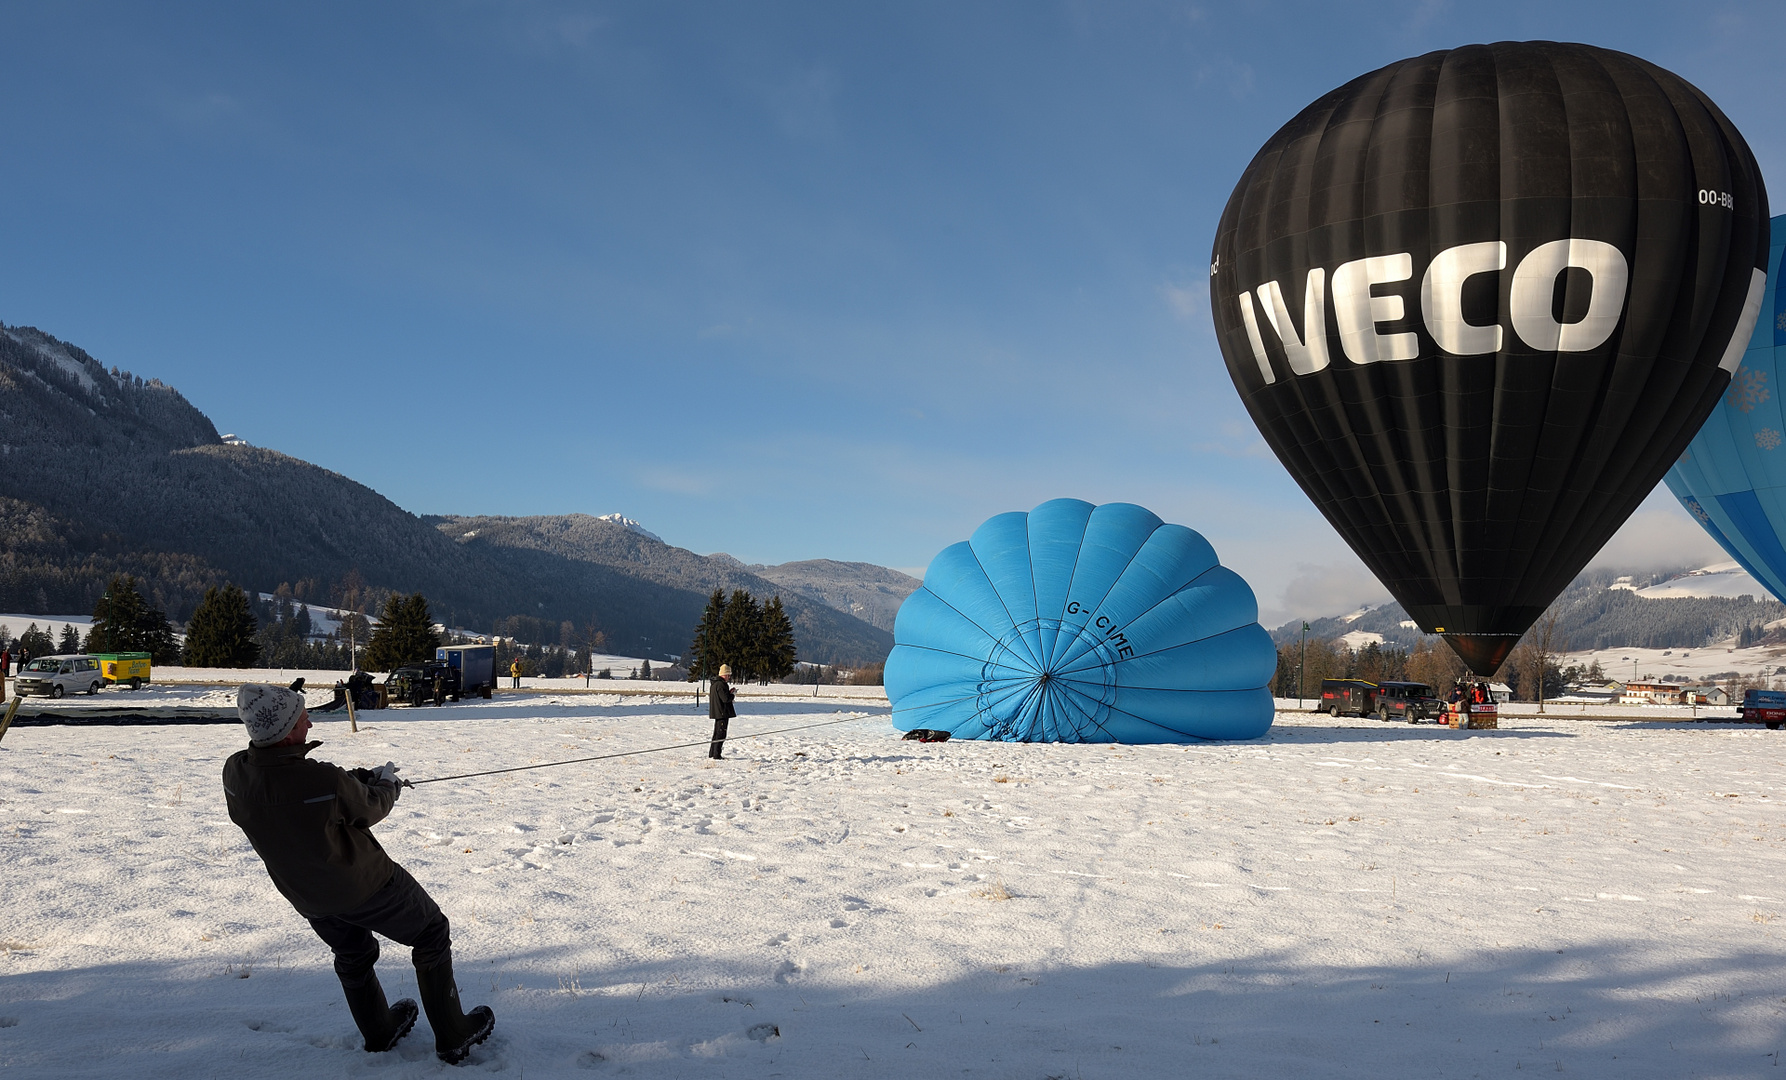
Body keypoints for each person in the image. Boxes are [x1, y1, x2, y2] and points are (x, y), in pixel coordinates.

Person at [221, 684, 494, 1063]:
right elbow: (369, 808)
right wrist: (386, 784)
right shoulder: (323, 782)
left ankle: (379, 1031)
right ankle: (453, 1035)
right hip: (365, 885)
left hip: (306, 896)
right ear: (285, 730)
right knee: (431, 932)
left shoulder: (235, 773)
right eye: (303, 717)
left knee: (353, 952)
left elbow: (302, 794)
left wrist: (356, 778)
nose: (311, 721)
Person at [708, 664, 736, 760]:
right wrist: (732, 695)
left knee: (716, 734)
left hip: (717, 712)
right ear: (724, 674)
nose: (729, 677)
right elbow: (725, 699)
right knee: (721, 734)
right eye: (728, 675)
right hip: (722, 712)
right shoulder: (721, 684)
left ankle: (712, 753)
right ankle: (717, 755)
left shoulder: (715, 684)